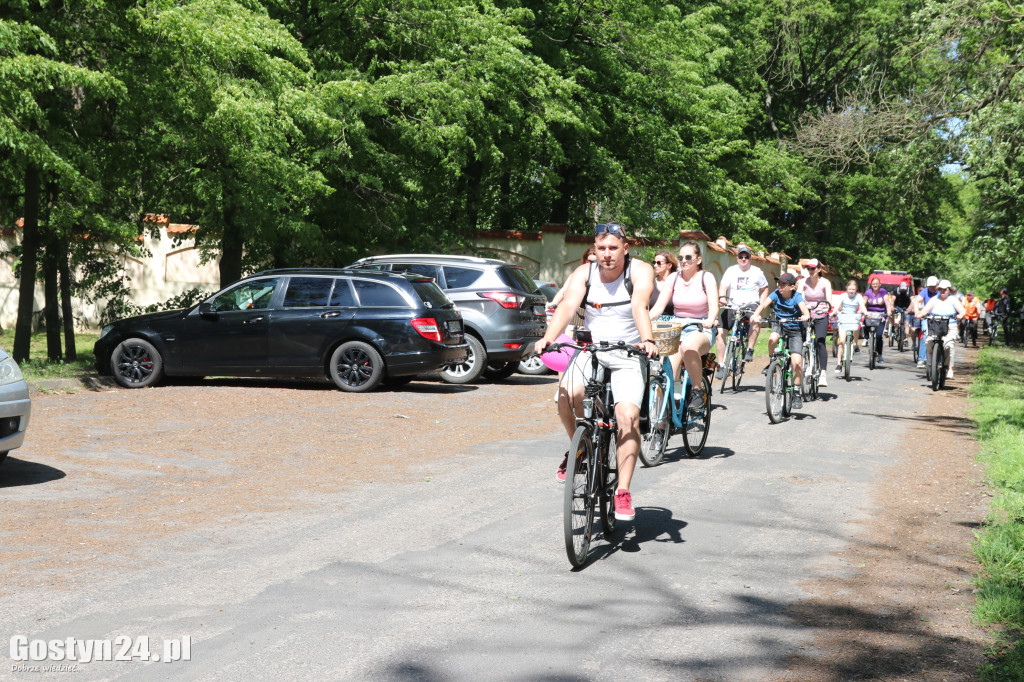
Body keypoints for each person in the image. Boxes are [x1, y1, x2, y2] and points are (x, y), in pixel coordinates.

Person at [535, 223, 657, 522]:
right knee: (565, 395)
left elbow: (640, 305)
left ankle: (623, 491)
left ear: (625, 248)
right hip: (590, 350)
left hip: (629, 351)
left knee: (627, 416)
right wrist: (549, 337)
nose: (606, 255)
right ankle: (581, 448)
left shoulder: (640, 271)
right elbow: (567, 307)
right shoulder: (585, 273)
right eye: (601, 248)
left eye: (613, 248)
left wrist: (648, 340)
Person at [649, 241, 719, 413]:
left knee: (688, 346)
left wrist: (710, 318)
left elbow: (714, 305)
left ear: (698, 259)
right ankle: (668, 413)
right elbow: (658, 307)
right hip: (677, 327)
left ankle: (697, 389)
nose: (684, 261)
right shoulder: (674, 278)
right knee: (666, 372)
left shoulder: (706, 277)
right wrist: (642, 321)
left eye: (688, 257)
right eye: (681, 257)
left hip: (700, 327)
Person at [750, 272, 811, 408]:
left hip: (795, 329)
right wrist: (756, 314)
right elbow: (764, 304)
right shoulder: (776, 294)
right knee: (772, 339)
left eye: (783, 284)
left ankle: (796, 392)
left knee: (797, 363)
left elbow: (804, 310)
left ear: (791, 287)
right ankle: (772, 361)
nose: (780, 287)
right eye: (779, 284)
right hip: (780, 325)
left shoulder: (797, 297)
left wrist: (805, 316)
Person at [716, 243, 769, 373]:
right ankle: (721, 365)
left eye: (746, 256)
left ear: (750, 258)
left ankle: (750, 349)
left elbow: (765, 288)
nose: (743, 259)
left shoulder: (757, 272)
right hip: (733, 304)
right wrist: (722, 297)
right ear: (737, 258)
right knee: (720, 332)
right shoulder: (731, 270)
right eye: (741, 256)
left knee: (756, 321)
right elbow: (723, 285)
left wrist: (760, 305)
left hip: (750, 304)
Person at [917, 279, 966, 379]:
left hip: (950, 325)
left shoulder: (953, 299)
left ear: (949, 290)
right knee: (928, 341)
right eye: (940, 289)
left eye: (944, 289)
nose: (942, 291)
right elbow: (926, 309)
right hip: (935, 324)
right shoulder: (934, 299)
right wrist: (920, 314)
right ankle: (930, 355)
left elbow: (962, 311)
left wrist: (960, 315)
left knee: (949, 345)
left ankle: (950, 368)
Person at [799, 258, 831, 387]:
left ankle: (823, 373)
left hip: (820, 313)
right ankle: (804, 362)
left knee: (820, 341)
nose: (810, 271)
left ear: (819, 269)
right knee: (800, 338)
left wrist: (827, 306)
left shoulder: (825, 282)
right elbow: (798, 295)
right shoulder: (803, 282)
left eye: (813, 268)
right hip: (807, 313)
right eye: (808, 269)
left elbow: (829, 299)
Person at [834, 279, 868, 372]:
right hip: (844, 318)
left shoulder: (859, 297)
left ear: (856, 289)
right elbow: (837, 306)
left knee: (857, 325)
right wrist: (833, 312)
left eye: (853, 289)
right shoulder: (843, 296)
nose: (851, 291)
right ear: (847, 288)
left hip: (853, 317)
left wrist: (866, 313)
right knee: (841, 341)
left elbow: (862, 306)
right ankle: (838, 364)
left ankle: (855, 344)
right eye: (850, 289)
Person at [863, 276, 894, 364]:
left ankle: (879, 354)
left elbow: (887, 302)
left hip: (880, 315)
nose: (875, 285)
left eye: (877, 284)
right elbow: (863, 302)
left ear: (880, 284)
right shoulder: (868, 292)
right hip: (870, 314)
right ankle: (866, 338)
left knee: (879, 335)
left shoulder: (883, 291)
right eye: (873, 284)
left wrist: (888, 311)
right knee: (864, 323)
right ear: (871, 285)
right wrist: (862, 310)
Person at [917, 276, 940, 367]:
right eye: (930, 286)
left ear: (937, 285)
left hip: (940, 317)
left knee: (942, 337)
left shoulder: (941, 291)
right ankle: (922, 359)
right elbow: (917, 300)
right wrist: (917, 312)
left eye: (934, 286)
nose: (932, 288)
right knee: (925, 336)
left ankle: (940, 358)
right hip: (927, 317)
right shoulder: (925, 291)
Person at [651, 250, 679, 317]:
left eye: (659, 263)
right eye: (654, 262)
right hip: (654, 322)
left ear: (669, 265)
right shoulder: (650, 283)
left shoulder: (678, 283)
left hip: (675, 323)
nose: (655, 265)